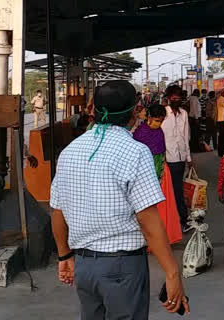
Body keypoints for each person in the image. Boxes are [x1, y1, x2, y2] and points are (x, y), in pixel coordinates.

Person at [50, 80, 188, 318]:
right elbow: (148, 220)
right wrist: (172, 272)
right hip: (123, 268)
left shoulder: (69, 151)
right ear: (135, 111)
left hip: (84, 266)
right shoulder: (135, 151)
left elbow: (58, 211)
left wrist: (64, 255)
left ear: (93, 110)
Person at [133, 104, 183, 246]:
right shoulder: (139, 133)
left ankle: (164, 238)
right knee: (148, 209)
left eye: (161, 121)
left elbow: (162, 152)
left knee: (163, 207)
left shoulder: (159, 131)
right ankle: (150, 240)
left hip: (162, 173)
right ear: (148, 117)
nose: (158, 124)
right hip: (144, 176)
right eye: (156, 120)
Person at [161, 85, 192, 234]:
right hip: (167, 157)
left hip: (180, 157)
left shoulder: (184, 114)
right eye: (174, 96)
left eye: (178, 97)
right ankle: (176, 221)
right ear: (168, 97)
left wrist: (188, 157)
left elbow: (186, 136)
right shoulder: (163, 113)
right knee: (171, 191)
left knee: (178, 190)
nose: (176, 99)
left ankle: (182, 220)